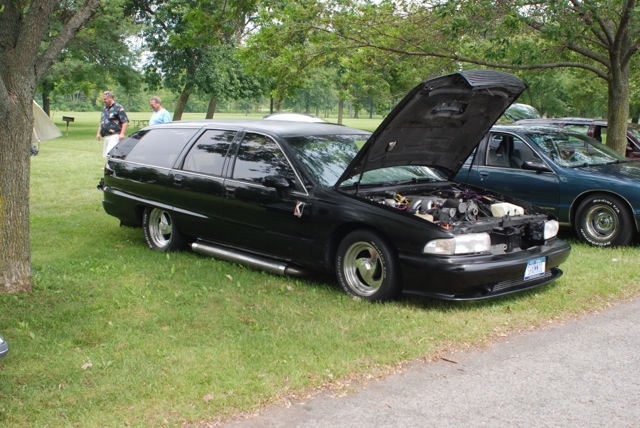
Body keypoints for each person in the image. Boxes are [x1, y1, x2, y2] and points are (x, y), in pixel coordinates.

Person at [96, 91, 129, 158]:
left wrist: (122, 134)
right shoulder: (104, 109)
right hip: (107, 135)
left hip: (115, 135)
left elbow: (125, 121)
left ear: (110, 98)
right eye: (103, 99)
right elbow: (102, 121)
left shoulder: (118, 107)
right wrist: (98, 133)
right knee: (107, 155)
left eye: (105, 99)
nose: (103, 101)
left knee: (111, 154)